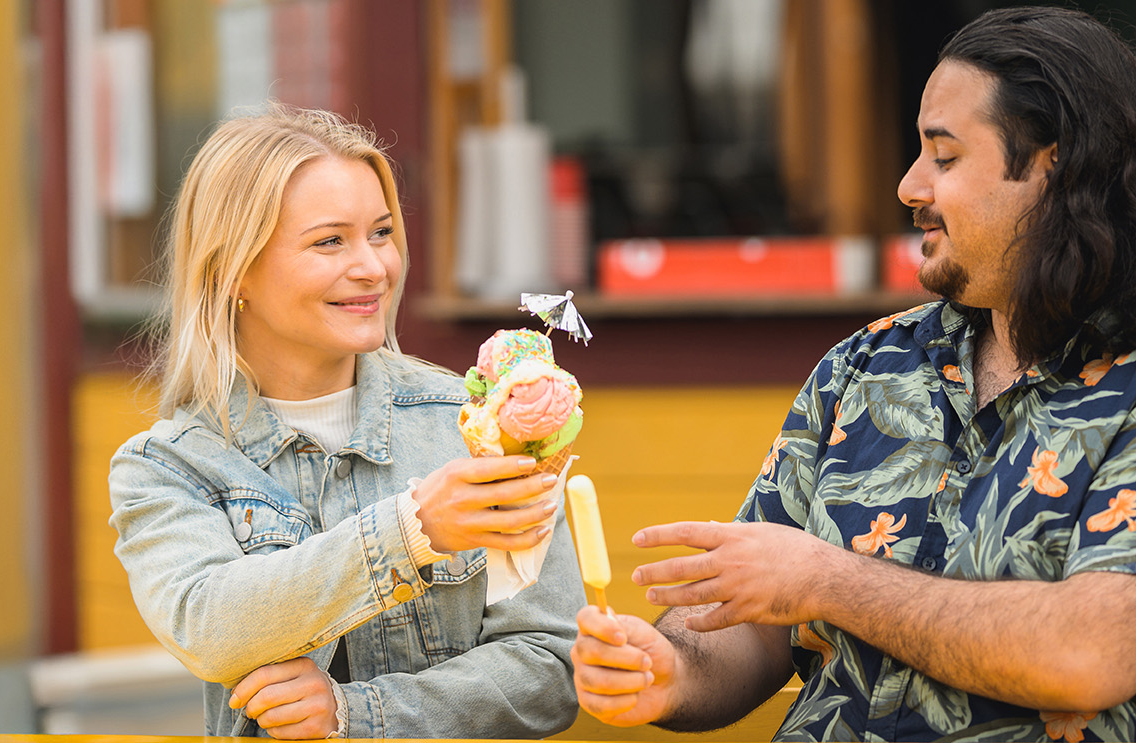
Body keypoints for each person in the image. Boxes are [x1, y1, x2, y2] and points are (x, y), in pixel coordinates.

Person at [571, 6, 1136, 742]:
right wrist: (669, 667)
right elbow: (758, 620)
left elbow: (1091, 650)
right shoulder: (865, 364)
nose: (907, 186)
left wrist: (826, 580)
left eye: (943, 156)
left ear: (1048, 168)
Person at [108, 104, 583, 739]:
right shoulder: (167, 468)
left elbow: (550, 666)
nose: (373, 267)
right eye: (330, 241)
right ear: (230, 270)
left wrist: (358, 715)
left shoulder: (479, 424)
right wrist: (413, 531)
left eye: (381, 233)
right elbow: (209, 624)